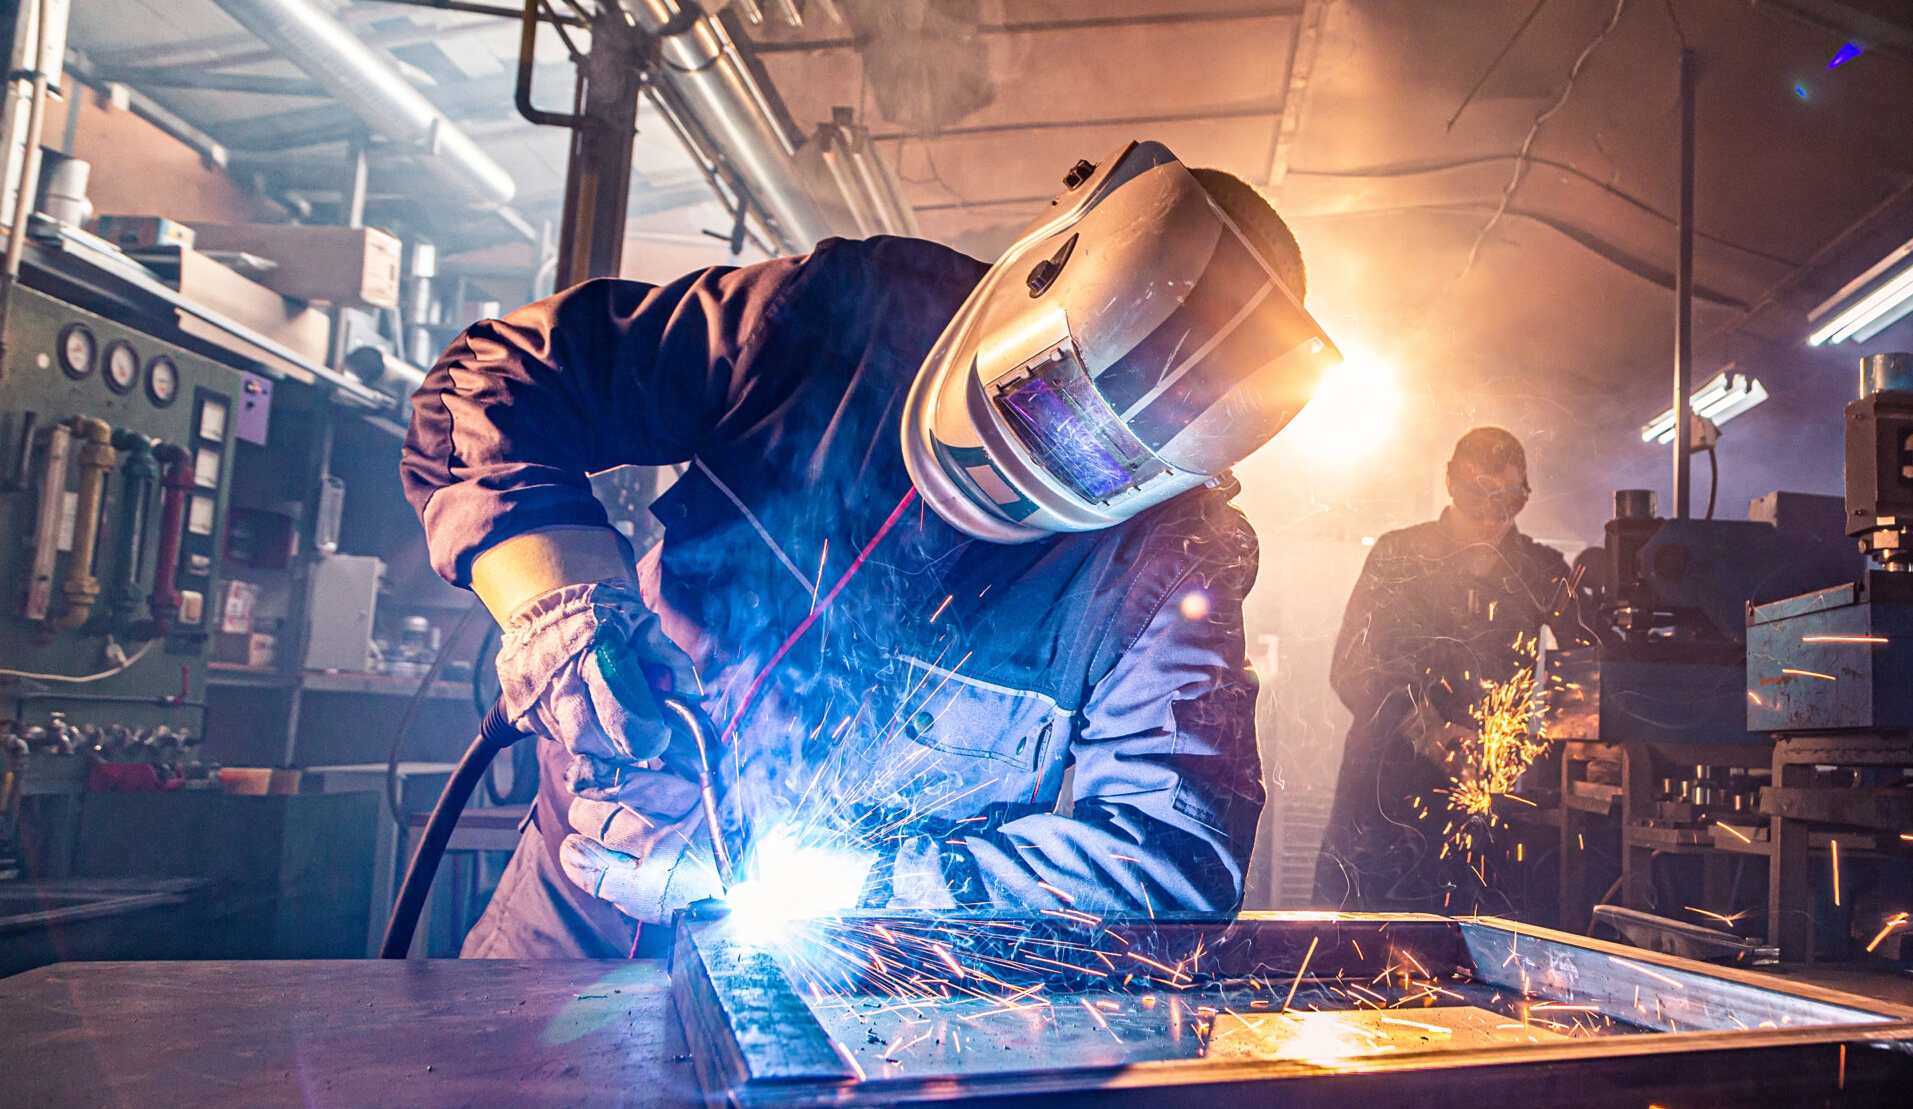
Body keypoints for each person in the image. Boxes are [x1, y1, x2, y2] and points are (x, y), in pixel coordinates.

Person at [404, 142, 1336, 958]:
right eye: (1044, 403)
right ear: (1041, 279)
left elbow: (1162, 863)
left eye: (1105, 465)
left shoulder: (1170, 562)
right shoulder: (842, 317)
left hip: (833, 1011)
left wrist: (831, 889)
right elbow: (498, 380)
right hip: (566, 923)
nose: (1027, 476)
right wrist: (559, 603)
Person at [1314, 427, 1571, 914]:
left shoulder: (1541, 569)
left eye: (1506, 501)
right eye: (1478, 496)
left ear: (1524, 496)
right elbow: (1351, 666)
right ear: (1450, 482)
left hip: (1490, 793)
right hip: (1388, 793)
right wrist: (1428, 729)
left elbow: (1593, 661)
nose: (1491, 516)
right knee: (1361, 952)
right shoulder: (1398, 555)